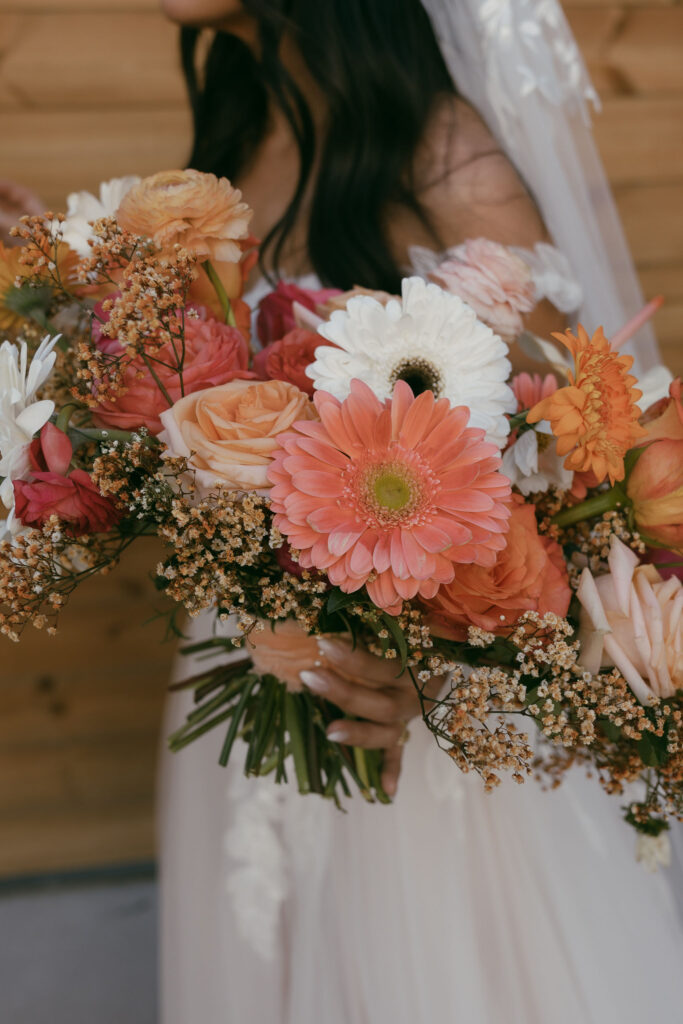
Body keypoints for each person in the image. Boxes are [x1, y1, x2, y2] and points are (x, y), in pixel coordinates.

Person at [157, 3, 683, 1023]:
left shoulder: (450, 159)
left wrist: (436, 667)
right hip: (246, 673)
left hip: (415, 746)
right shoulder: (238, 118)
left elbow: (594, 493)